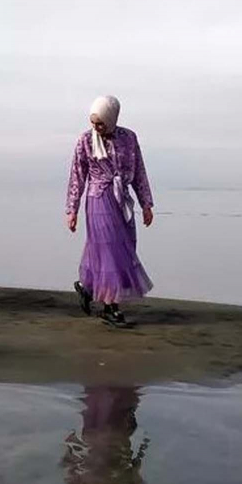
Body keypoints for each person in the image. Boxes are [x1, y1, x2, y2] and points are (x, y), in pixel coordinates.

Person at [66, 95, 154, 328]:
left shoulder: (129, 138)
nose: (96, 127)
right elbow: (77, 176)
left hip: (121, 200)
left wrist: (146, 204)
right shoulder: (85, 140)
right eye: (93, 122)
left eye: (101, 122)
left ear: (113, 118)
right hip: (99, 199)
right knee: (110, 252)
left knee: (123, 248)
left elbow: (139, 172)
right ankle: (110, 308)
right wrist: (72, 209)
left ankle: (87, 288)